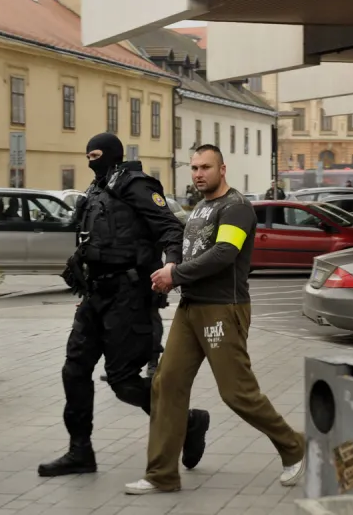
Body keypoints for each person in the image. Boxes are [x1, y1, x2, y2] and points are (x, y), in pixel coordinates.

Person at [125, 144, 307, 495]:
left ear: (222, 169)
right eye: (194, 168)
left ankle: (294, 446)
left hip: (223, 309)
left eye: (205, 167)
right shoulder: (201, 208)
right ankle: (162, 475)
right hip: (190, 308)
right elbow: (188, 247)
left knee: (237, 393)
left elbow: (224, 254)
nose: (198, 174)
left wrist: (175, 275)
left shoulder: (235, 207)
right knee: (167, 384)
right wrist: (171, 266)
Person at [38, 133, 211, 477]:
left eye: (95, 155)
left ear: (112, 155)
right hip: (95, 296)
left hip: (128, 297)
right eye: (87, 156)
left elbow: (169, 228)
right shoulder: (96, 189)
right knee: (74, 370)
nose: (90, 161)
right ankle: (80, 451)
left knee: (124, 383)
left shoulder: (135, 185)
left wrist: (171, 266)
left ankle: (189, 422)